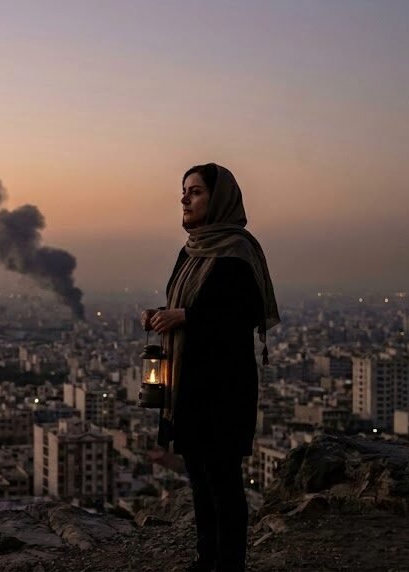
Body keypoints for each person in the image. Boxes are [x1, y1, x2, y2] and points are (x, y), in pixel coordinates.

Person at [141, 163, 280, 572]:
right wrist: (162, 314)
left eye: (196, 191)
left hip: (224, 385)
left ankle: (229, 564)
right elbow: (190, 306)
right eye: (184, 191)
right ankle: (207, 559)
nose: (185, 199)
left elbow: (242, 315)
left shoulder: (237, 251)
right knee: (199, 477)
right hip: (188, 383)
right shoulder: (190, 251)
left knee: (222, 479)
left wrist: (184, 317)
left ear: (218, 199)